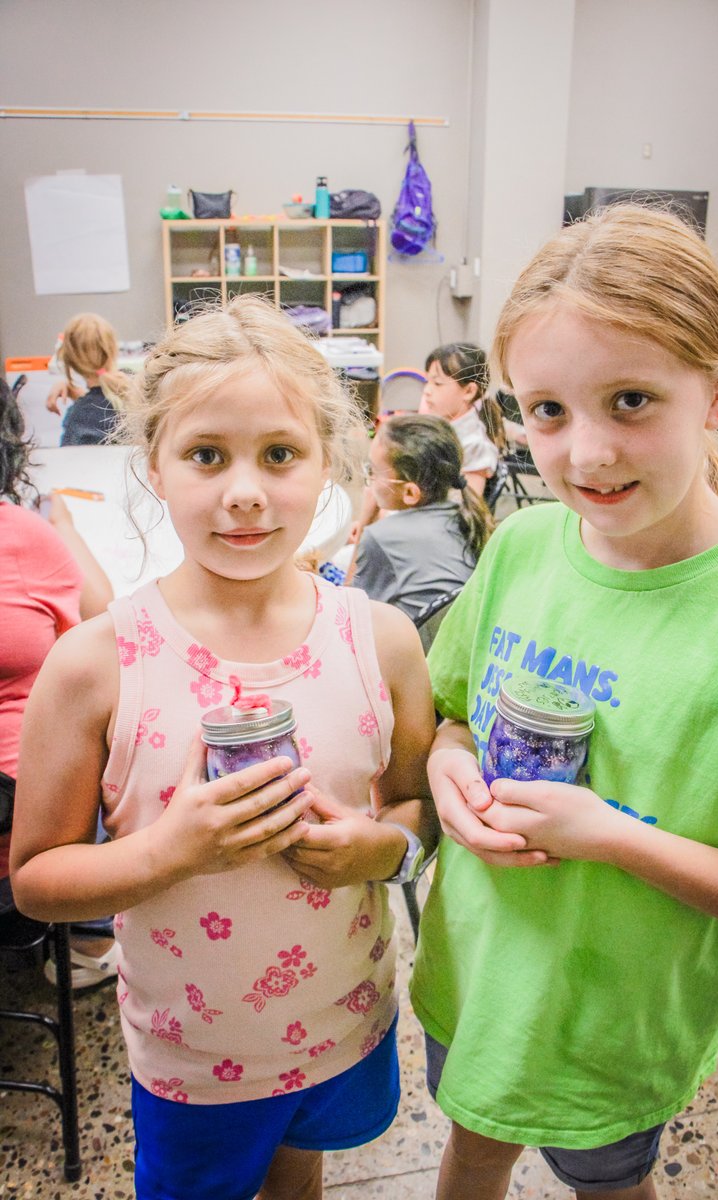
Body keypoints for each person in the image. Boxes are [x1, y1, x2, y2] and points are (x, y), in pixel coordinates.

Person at [408, 204, 718, 1200]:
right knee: (471, 1148)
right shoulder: (521, 547)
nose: (582, 455)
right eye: (544, 410)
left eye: (629, 400)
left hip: (611, 1028)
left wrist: (611, 835)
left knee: (608, 1182)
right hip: (475, 981)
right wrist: (447, 762)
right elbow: (452, 713)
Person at [10, 295, 438, 1200]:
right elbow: (38, 876)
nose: (245, 490)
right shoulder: (97, 663)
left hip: (344, 1018)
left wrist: (383, 849)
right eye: (208, 455)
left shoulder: (382, 640)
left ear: (327, 463)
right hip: (192, 1053)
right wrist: (169, 853)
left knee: (299, 1179)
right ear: (155, 467)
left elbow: (415, 809)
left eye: (279, 454)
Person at [0, 376, 116, 985]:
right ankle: (88, 941)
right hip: (19, 834)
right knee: (99, 721)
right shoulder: (19, 535)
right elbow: (101, 616)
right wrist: (62, 522)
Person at [352, 413, 494, 620]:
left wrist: (366, 521)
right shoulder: (463, 515)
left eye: (372, 470)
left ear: (410, 493)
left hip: (407, 646)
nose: (369, 478)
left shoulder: (380, 537)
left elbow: (354, 617)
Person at [419, 342, 504, 496]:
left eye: (437, 383)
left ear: (469, 391)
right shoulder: (441, 427)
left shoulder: (474, 445)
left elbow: (466, 508)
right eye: (427, 382)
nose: (427, 391)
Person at [46, 312, 130, 445]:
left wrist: (81, 399)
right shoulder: (135, 386)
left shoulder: (78, 416)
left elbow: (69, 461)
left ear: (70, 361)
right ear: (114, 349)